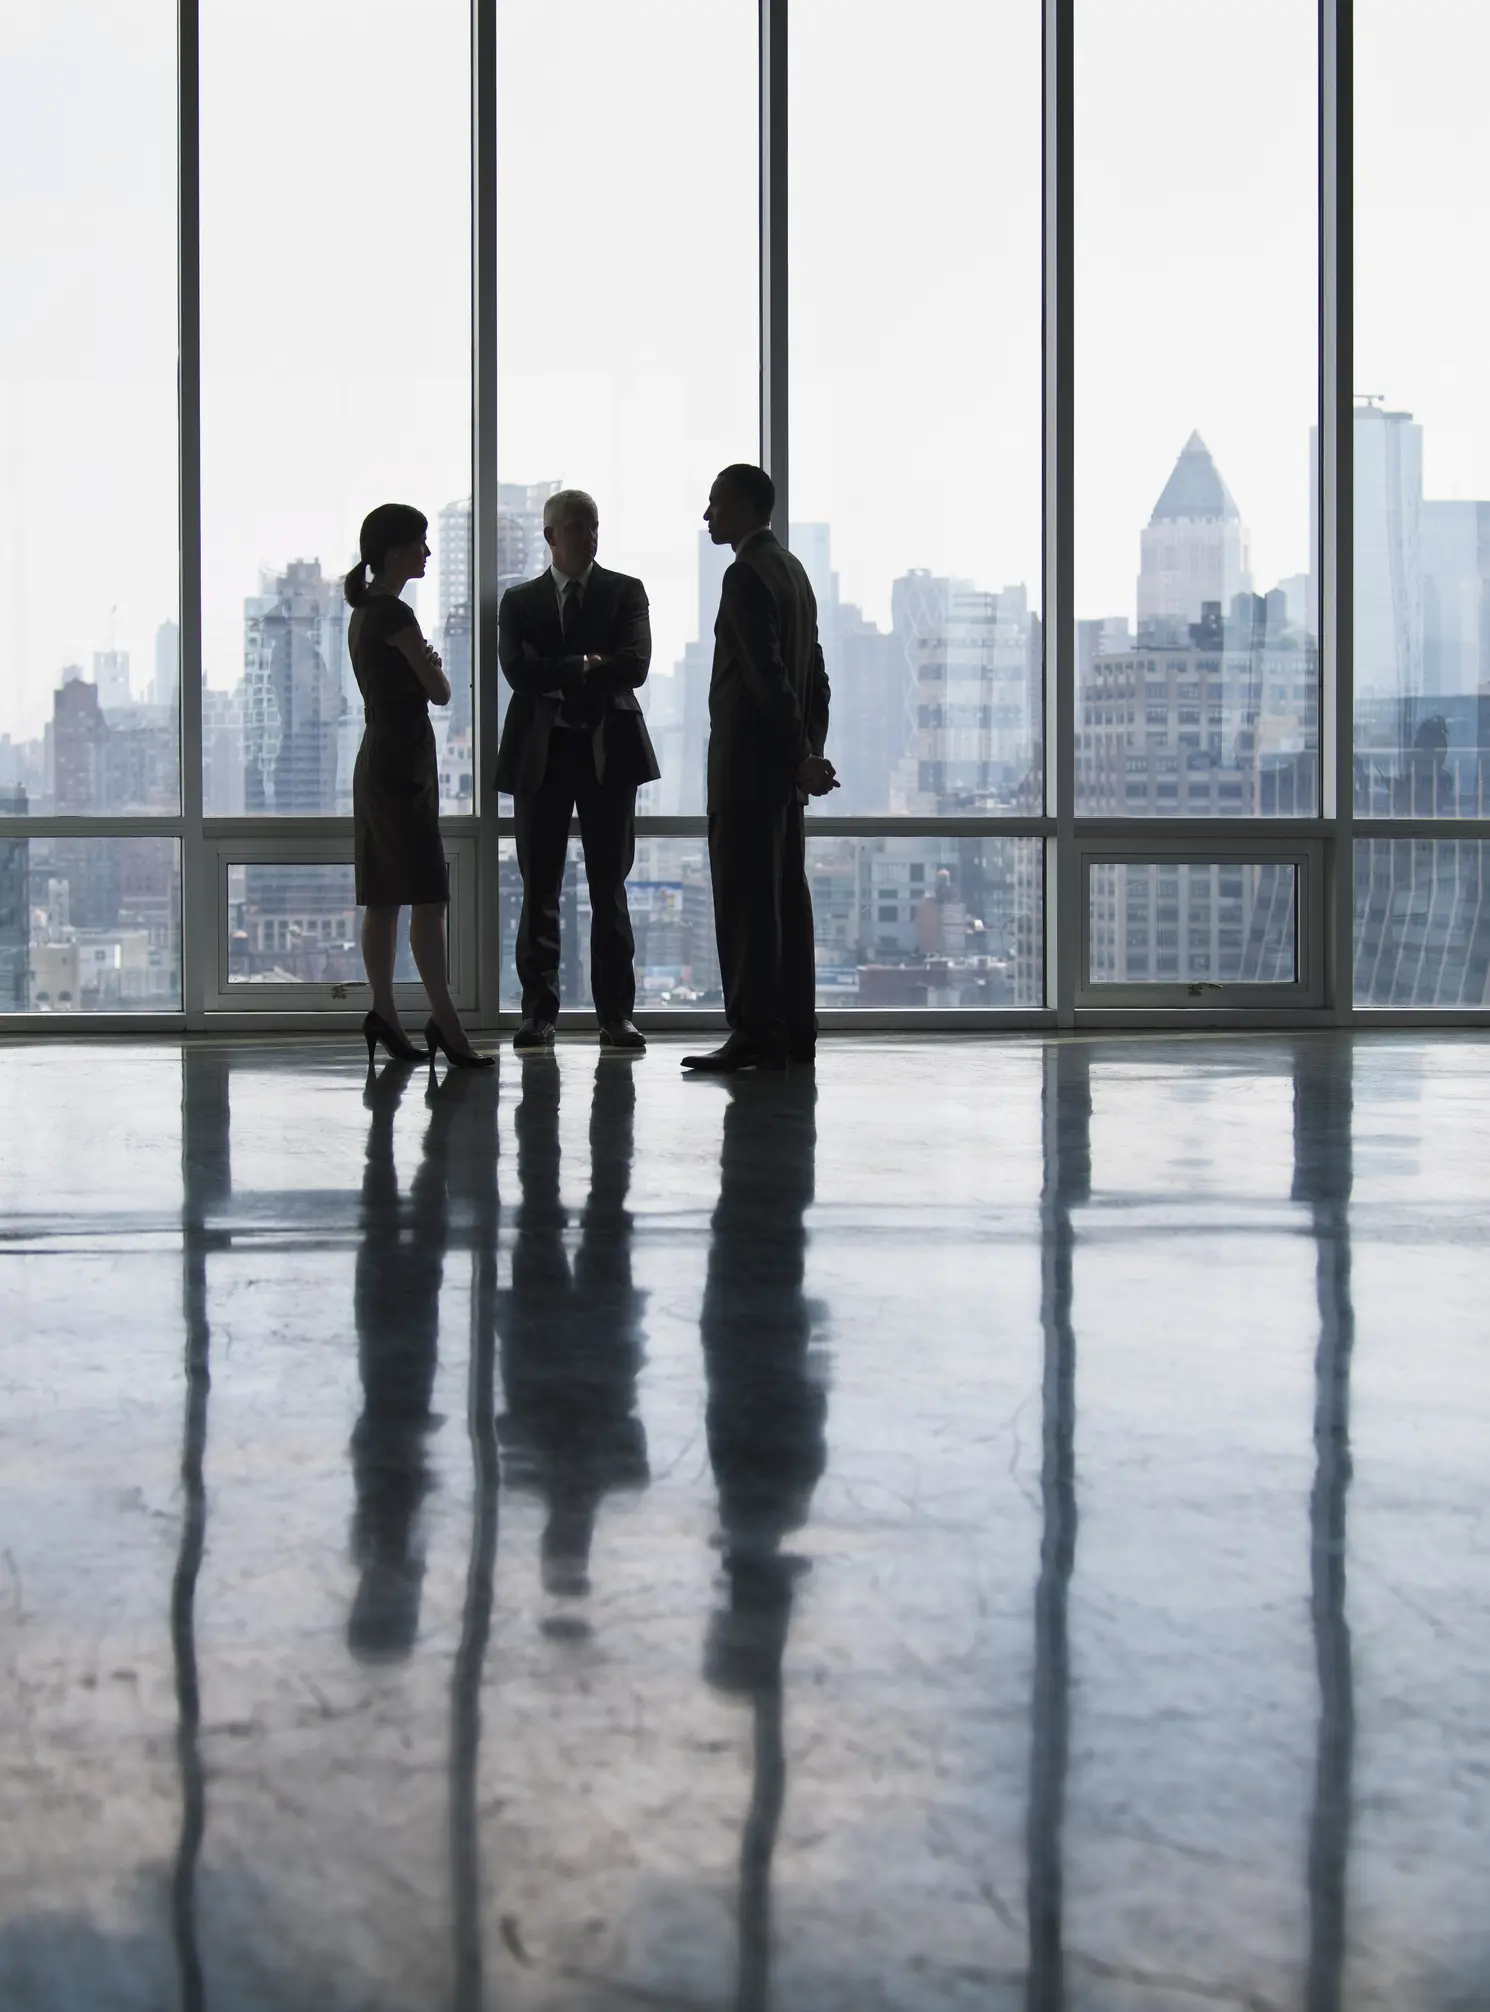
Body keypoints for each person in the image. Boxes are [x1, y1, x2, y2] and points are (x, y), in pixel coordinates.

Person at [683, 465, 837, 1075]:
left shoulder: (744, 574)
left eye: (716, 502)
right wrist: (806, 756)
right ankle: (796, 1030)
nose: (708, 515)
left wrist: (799, 756)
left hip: (748, 767)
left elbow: (765, 675)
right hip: (783, 773)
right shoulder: (794, 572)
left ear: (745, 506)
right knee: (785, 903)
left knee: (747, 902)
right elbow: (815, 676)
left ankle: (754, 1032)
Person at [496, 488, 659, 1053]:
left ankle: (616, 1016)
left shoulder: (624, 591)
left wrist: (560, 669)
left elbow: (635, 666)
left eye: (594, 525)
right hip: (541, 757)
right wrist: (587, 664)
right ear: (550, 536)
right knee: (538, 888)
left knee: (608, 888)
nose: (590, 535)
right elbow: (518, 672)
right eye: (577, 526)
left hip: (607, 755)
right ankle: (538, 1017)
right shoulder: (519, 601)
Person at [345, 502, 492, 1069]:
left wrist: (426, 665)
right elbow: (441, 691)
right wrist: (428, 663)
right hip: (403, 762)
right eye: (420, 543)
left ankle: (385, 1011)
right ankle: (446, 1024)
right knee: (428, 896)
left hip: (381, 757)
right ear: (394, 550)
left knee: (384, 896)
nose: (428, 553)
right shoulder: (394, 616)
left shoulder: (365, 611)